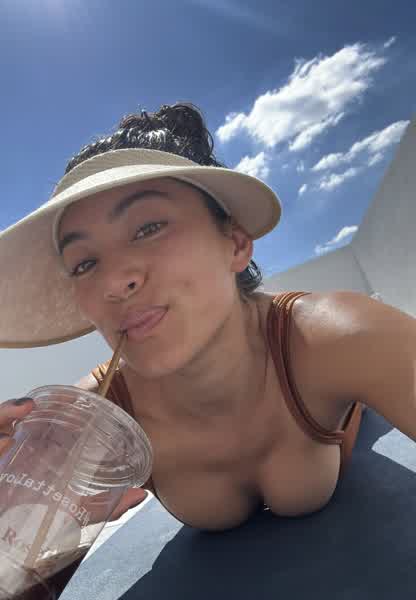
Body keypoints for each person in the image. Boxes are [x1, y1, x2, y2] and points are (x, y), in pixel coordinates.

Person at [1, 103, 415, 532]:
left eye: (148, 228)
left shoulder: (340, 336)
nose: (114, 282)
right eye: (84, 263)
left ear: (235, 244)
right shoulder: (92, 416)